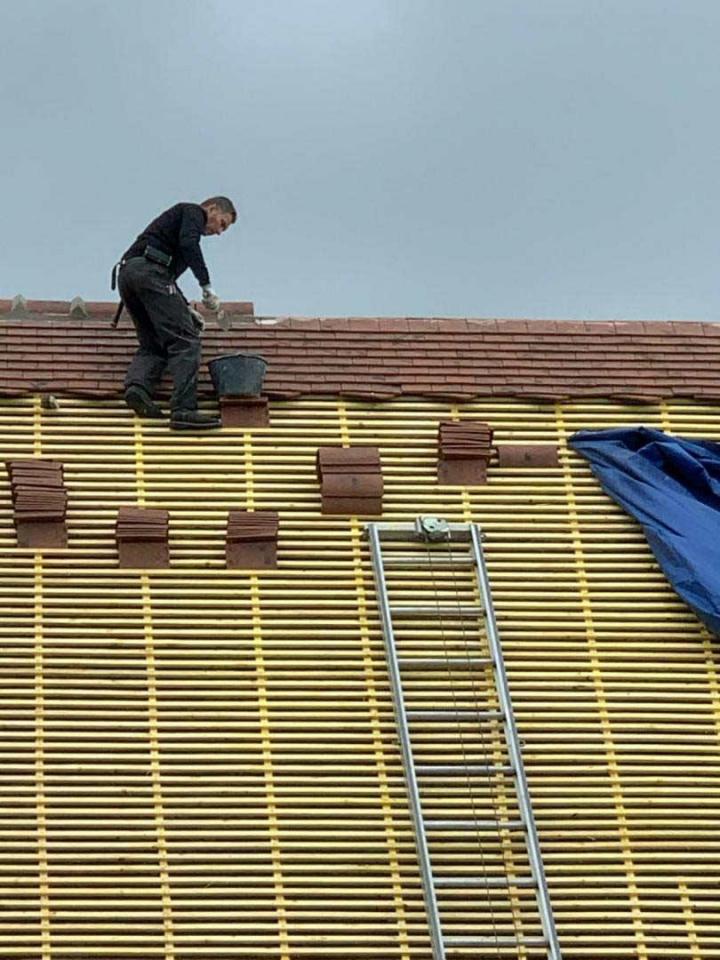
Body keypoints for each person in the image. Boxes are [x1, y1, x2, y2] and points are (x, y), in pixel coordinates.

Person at [114, 196, 236, 430]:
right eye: (222, 224)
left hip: (130, 275)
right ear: (211, 209)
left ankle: (138, 388)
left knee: (153, 342)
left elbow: (165, 278)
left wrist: (185, 308)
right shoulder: (192, 212)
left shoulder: (173, 228)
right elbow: (189, 245)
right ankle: (184, 410)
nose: (219, 232)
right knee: (186, 340)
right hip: (150, 273)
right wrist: (206, 285)